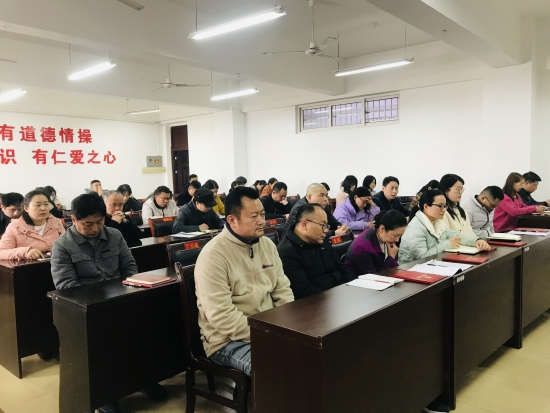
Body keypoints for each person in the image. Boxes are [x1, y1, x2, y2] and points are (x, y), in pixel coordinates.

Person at [51, 193, 166, 413]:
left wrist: (127, 292)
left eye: (99, 222)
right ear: (73, 220)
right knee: (104, 344)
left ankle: (143, 379)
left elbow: (130, 267)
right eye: (88, 224)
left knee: (147, 330)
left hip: (121, 299)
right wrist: (98, 301)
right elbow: (66, 286)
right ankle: (105, 393)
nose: (95, 228)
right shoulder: (62, 246)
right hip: (88, 310)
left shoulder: (114, 235)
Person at [195, 186, 294, 377]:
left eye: (262, 214)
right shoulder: (213, 256)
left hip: (268, 328)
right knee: (277, 369)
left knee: (311, 355)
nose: (261, 221)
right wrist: (267, 333)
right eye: (254, 216)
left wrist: (286, 327)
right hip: (227, 341)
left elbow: (282, 290)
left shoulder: (267, 244)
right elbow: (222, 317)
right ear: (232, 220)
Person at [277, 203, 356, 300]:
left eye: (326, 226)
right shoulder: (286, 253)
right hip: (320, 302)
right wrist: (335, 298)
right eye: (323, 225)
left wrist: (354, 287)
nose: (326, 230)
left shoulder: (320, 240)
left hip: (341, 293)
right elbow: (304, 292)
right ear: (304, 224)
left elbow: (342, 268)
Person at [399, 190, 489, 264]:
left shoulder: (436, 221)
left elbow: (456, 236)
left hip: (434, 265)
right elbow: (421, 258)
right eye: (440, 206)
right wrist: (448, 244)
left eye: (445, 206)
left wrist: (476, 241)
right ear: (426, 206)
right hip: (411, 269)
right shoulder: (416, 227)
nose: (444, 210)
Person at [0, 190, 65, 260]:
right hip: (29, 265)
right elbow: (2, 252)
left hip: (56, 263)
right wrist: (25, 252)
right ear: (26, 208)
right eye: (38, 205)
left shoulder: (56, 222)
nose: (43, 208)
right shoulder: (15, 227)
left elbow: (66, 244)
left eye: (46, 204)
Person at [344, 210, 407, 276]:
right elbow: (373, 277)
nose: (397, 240)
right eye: (395, 235)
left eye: (400, 236)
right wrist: (391, 257)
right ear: (382, 229)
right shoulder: (362, 247)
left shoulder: (384, 237)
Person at [284, 183, 349, 238]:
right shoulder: (300, 209)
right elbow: (310, 232)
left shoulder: (324, 205)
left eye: (326, 195)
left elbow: (333, 222)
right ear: (309, 197)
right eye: (321, 195)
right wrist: (334, 233)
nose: (325, 199)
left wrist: (341, 227)